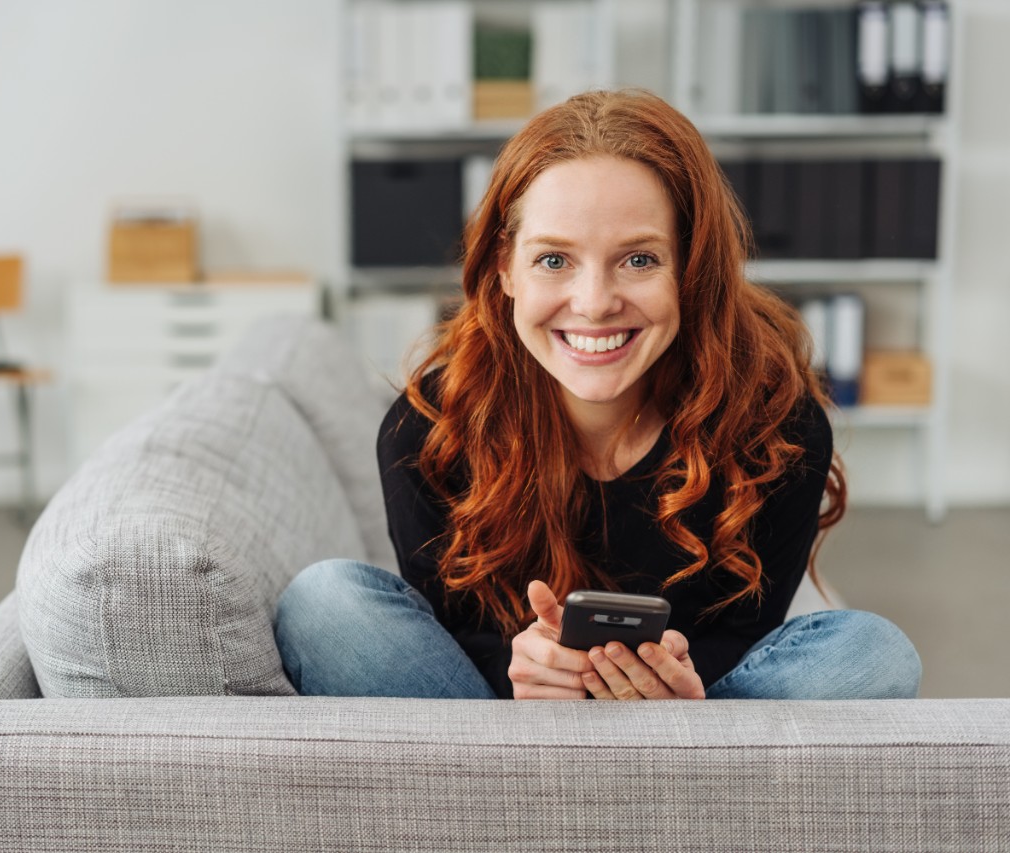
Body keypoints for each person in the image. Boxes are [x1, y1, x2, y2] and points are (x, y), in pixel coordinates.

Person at [274, 89, 921, 701]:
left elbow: (742, 638)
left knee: (873, 651)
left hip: (689, 720)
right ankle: (614, 804)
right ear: (504, 268)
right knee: (324, 601)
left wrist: (670, 683)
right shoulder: (428, 429)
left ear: (691, 268)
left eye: (638, 259)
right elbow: (455, 644)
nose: (594, 304)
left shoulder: (777, 425)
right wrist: (525, 671)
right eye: (554, 260)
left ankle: (577, 803)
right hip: (506, 721)